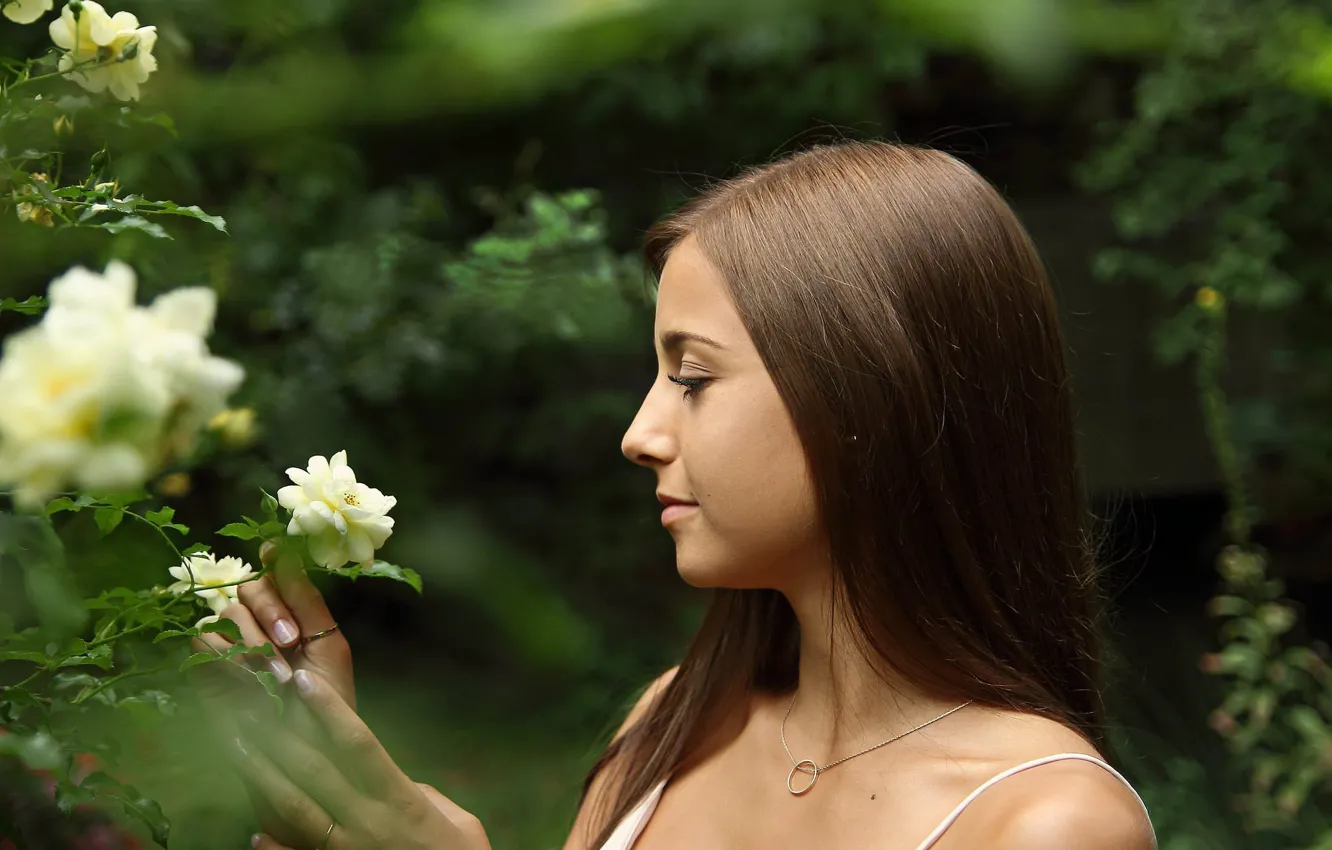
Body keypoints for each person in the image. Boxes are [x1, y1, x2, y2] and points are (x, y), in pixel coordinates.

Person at [201, 140, 1159, 850]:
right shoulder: (670, 725)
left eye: (692, 377)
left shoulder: (1044, 821)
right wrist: (327, 812)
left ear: (871, 389)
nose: (640, 433)